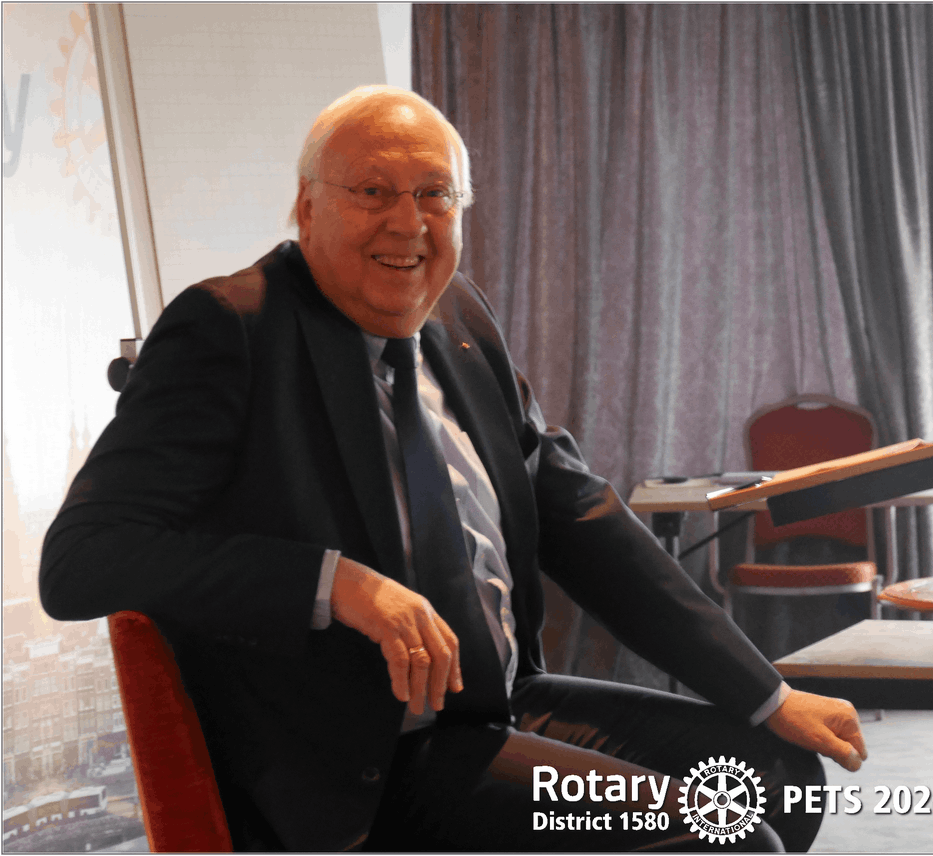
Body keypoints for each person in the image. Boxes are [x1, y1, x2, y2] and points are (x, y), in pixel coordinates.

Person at [40, 85, 866, 852]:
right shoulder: (231, 329)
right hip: (360, 759)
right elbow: (82, 559)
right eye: (372, 192)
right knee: (721, 837)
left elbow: (580, 517)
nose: (408, 224)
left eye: (434, 194)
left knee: (775, 779)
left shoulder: (457, 313)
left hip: (493, 705)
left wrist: (766, 692)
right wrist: (335, 583)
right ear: (307, 205)